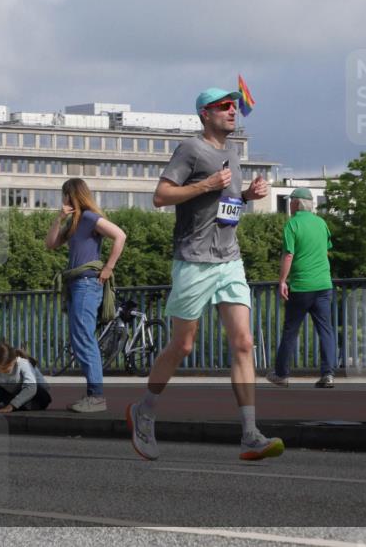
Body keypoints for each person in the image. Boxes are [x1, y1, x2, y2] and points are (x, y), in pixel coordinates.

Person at [127, 87, 283, 462]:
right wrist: (204, 184)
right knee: (182, 345)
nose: (233, 111)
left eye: (234, 106)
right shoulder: (190, 150)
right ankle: (144, 410)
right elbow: (161, 195)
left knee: (244, 342)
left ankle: (249, 434)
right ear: (204, 114)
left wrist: (246, 195)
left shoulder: (232, 152)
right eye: (224, 107)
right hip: (194, 260)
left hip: (229, 259)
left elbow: (222, 204)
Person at [45, 178, 127, 413]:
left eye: (65, 195)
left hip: (86, 283)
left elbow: (120, 235)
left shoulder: (90, 217)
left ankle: (97, 397)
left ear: (72, 195)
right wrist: (59, 218)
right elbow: (50, 244)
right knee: (81, 338)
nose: (63, 200)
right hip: (76, 285)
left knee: (84, 338)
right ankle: (93, 395)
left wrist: (109, 267)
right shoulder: (73, 222)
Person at [267, 188, 336, 389]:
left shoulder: (293, 224)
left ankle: (281, 374)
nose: (289, 205)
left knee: (291, 330)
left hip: (301, 286)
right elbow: (325, 249)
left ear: (297, 204)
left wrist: (282, 281)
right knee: (326, 330)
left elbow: (288, 255)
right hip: (324, 284)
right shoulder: (322, 223)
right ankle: (328, 374)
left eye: (290, 202)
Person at [0, 341, 51, 412]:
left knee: (35, 390)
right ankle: (4, 405)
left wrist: (11, 406)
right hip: (14, 395)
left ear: (14, 361)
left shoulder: (23, 364)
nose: (1, 372)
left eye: (5, 369)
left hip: (36, 396)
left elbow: (31, 388)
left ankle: (8, 406)